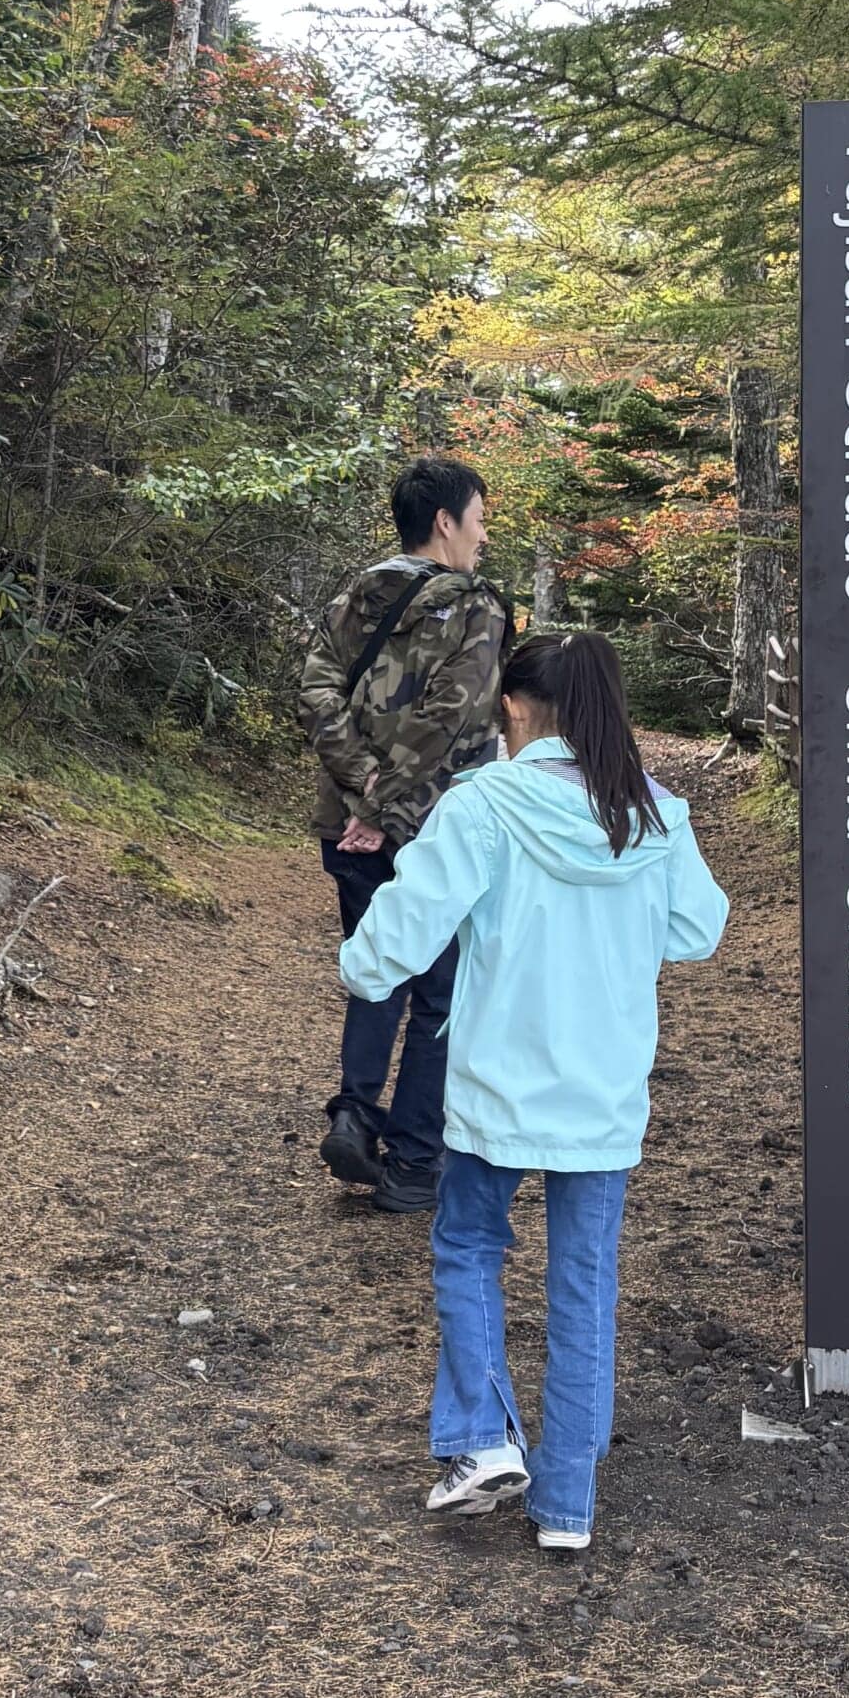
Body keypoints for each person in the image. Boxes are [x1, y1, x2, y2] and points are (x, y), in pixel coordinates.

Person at [337, 630, 728, 1553]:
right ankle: (567, 1509)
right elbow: (697, 929)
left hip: (494, 1089)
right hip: (603, 1094)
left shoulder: (487, 805)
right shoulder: (656, 815)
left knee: (470, 1247)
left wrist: (360, 970)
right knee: (584, 1285)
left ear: (514, 705)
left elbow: (405, 926)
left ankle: (479, 1440)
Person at [296, 455, 511, 1212]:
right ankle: (415, 1160)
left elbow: (316, 687)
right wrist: (386, 806)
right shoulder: (477, 607)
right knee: (443, 992)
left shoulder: (355, 594)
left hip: (346, 823)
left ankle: (355, 1112)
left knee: (375, 964)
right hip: (436, 827)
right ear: (446, 522)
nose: (483, 537)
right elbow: (450, 716)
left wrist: (358, 787)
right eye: (480, 520)